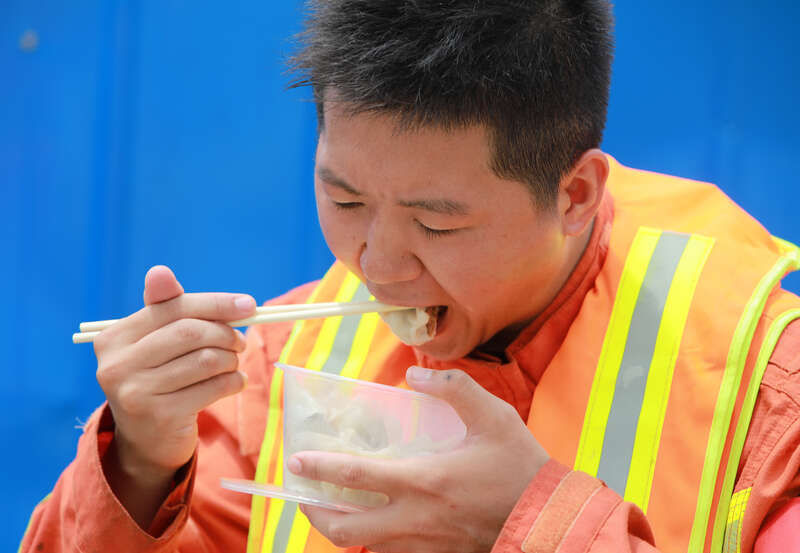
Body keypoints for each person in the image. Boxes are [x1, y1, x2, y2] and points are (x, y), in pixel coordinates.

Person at [19, 1, 800, 552]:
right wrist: (142, 463)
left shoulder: (766, 390)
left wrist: (532, 525)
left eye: (437, 223)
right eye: (344, 196)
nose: (377, 267)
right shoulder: (279, 373)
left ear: (575, 194)